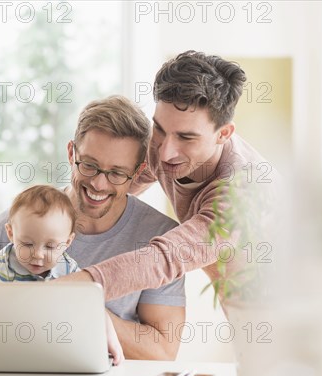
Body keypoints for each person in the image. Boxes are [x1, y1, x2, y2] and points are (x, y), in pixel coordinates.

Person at [0, 95, 186, 361]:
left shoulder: (160, 240)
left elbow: (162, 351)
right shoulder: (14, 227)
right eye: (90, 166)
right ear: (71, 153)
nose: (99, 184)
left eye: (116, 173)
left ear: (137, 172)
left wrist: (82, 307)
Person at [59, 51, 276, 311]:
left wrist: (64, 289)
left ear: (224, 134)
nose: (164, 153)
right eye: (159, 129)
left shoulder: (242, 194)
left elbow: (166, 258)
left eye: (186, 137)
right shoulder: (161, 147)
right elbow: (112, 188)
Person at [0, 184, 79, 282]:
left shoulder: (70, 269)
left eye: (50, 246)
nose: (38, 255)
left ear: (67, 242)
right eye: (27, 244)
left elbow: (85, 296)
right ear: (11, 234)